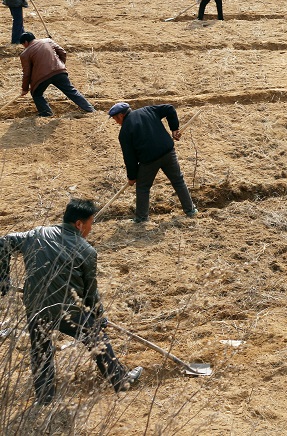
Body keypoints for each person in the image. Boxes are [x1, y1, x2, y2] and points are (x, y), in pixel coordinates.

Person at [0, 198, 143, 405]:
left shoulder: (36, 234)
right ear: (79, 224)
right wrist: (99, 317)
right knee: (97, 338)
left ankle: (45, 398)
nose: (90, 229)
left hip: (35, 307)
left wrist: (3, 278)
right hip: (68, 311)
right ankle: (120, 381)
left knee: (41, 349)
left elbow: (2, 242)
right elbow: (90, 294)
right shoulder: (87, 251)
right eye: (90, 223)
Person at [109, 102, 197, 223]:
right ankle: (190, 210)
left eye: (115, 118)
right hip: (168, 152)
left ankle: (141, 218)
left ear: (121, 115)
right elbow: (169, 108)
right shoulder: (148, 110)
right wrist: (174, 128)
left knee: (143, 187)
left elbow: (129, 158)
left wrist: (132, 177)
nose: (116, 122)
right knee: (178, 180)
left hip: (149, 161)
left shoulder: (124, 132)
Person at [19, 32, 95, 117]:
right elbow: (63, 52)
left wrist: (25, 89)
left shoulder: (25, 54)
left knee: (36, 94)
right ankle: (89, 109)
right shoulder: (48, 41)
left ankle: (46, 113)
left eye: (23, 44)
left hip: (42, 77)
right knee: (71, 91)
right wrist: (60, 65)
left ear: (25, 42)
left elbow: (26, 73)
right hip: (59, 72)